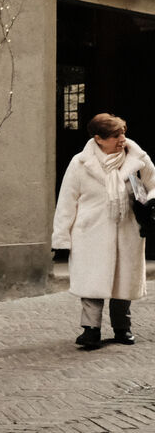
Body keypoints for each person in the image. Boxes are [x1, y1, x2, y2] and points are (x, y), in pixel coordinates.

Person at [51, 113, 155, 349]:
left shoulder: (138, 159)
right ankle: (90, 330)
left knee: (123, 280)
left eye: (123, 132)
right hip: (90, 232)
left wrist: (151, 201)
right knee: (91, 281)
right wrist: (62, 237)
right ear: (98, 138)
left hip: (127, 230)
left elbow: (153, 184)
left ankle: (122, 328)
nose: (122, 139)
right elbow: (67, 201)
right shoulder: (80, 163)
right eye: (116, 135)